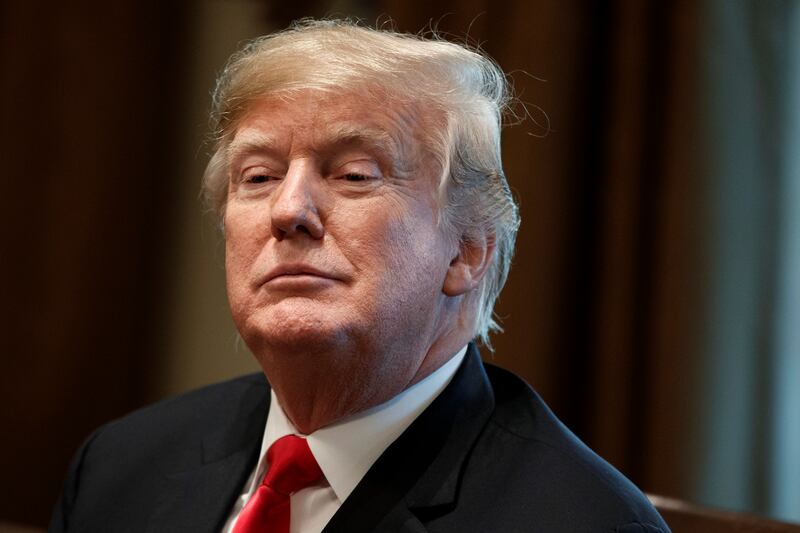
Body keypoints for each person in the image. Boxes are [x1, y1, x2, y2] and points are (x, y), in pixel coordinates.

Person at [50, 19, 670, 533]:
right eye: (258, 177)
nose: (288, 209)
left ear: (467, 253)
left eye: (353, 175)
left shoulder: (584, 523)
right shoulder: (120, 466)